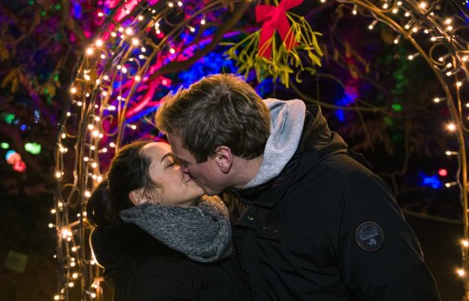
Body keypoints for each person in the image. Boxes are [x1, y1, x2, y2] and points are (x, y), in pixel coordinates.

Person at [154, 73, 441, 301]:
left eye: (185, 161)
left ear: (222, 157)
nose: (184, 171)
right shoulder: (240, 192)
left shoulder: (347, 189)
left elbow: (403, 290)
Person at [86, 139, 252, 301]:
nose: (186, 166)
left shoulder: (224, 219)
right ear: (143, 197)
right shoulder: (148, 277)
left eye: (182, 158)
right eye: (172, 164)